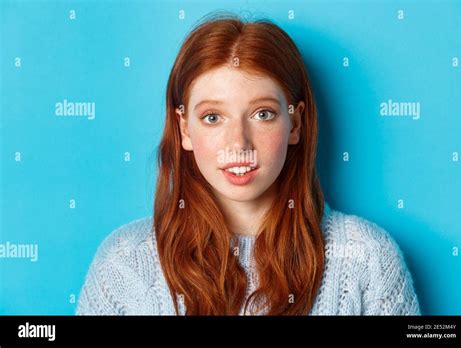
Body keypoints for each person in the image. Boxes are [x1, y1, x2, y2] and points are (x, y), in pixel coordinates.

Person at [76, 13, 421, 316]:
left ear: (295, 124)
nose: (238, 143)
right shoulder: (123, 262)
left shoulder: (367, 258)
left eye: (262, 114)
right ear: (185, 130)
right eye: (213, 117)